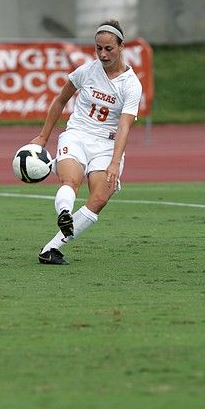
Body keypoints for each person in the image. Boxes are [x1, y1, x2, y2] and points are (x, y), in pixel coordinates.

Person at [31, 20, 143, 265]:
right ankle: (64, 212)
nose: (103, 54)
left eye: (108, 49)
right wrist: (43, 136)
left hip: (106, 144)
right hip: (78, 134)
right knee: (71, 180)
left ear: (121, 46)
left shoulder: (131, 85)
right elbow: (60, 101)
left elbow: (124, 125)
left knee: (101, 197)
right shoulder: (85, 71)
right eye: (98, 48)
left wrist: (114, 162)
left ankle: (51, 249)